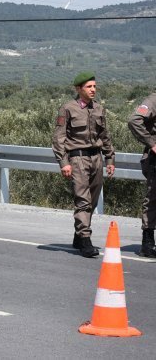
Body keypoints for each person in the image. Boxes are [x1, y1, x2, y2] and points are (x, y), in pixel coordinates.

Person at [52, 72, 115, 258]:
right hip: (78, 159)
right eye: (89, 87)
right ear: (79, 89)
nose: (93, 89)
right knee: (83, 200)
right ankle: (86, 241)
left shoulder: (98, 109)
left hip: (96, 159)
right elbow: (58, 139)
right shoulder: (67, 109)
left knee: (93, 201)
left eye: (95, 86)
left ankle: (78, 235)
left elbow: (105, 136)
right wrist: (64, 162)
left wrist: (110, 158)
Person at [128, 91, 156, 258]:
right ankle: (148, 243)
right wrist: (152, 143)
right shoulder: (154, 100)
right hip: (155, 160)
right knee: (153, 198)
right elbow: (134, 121)